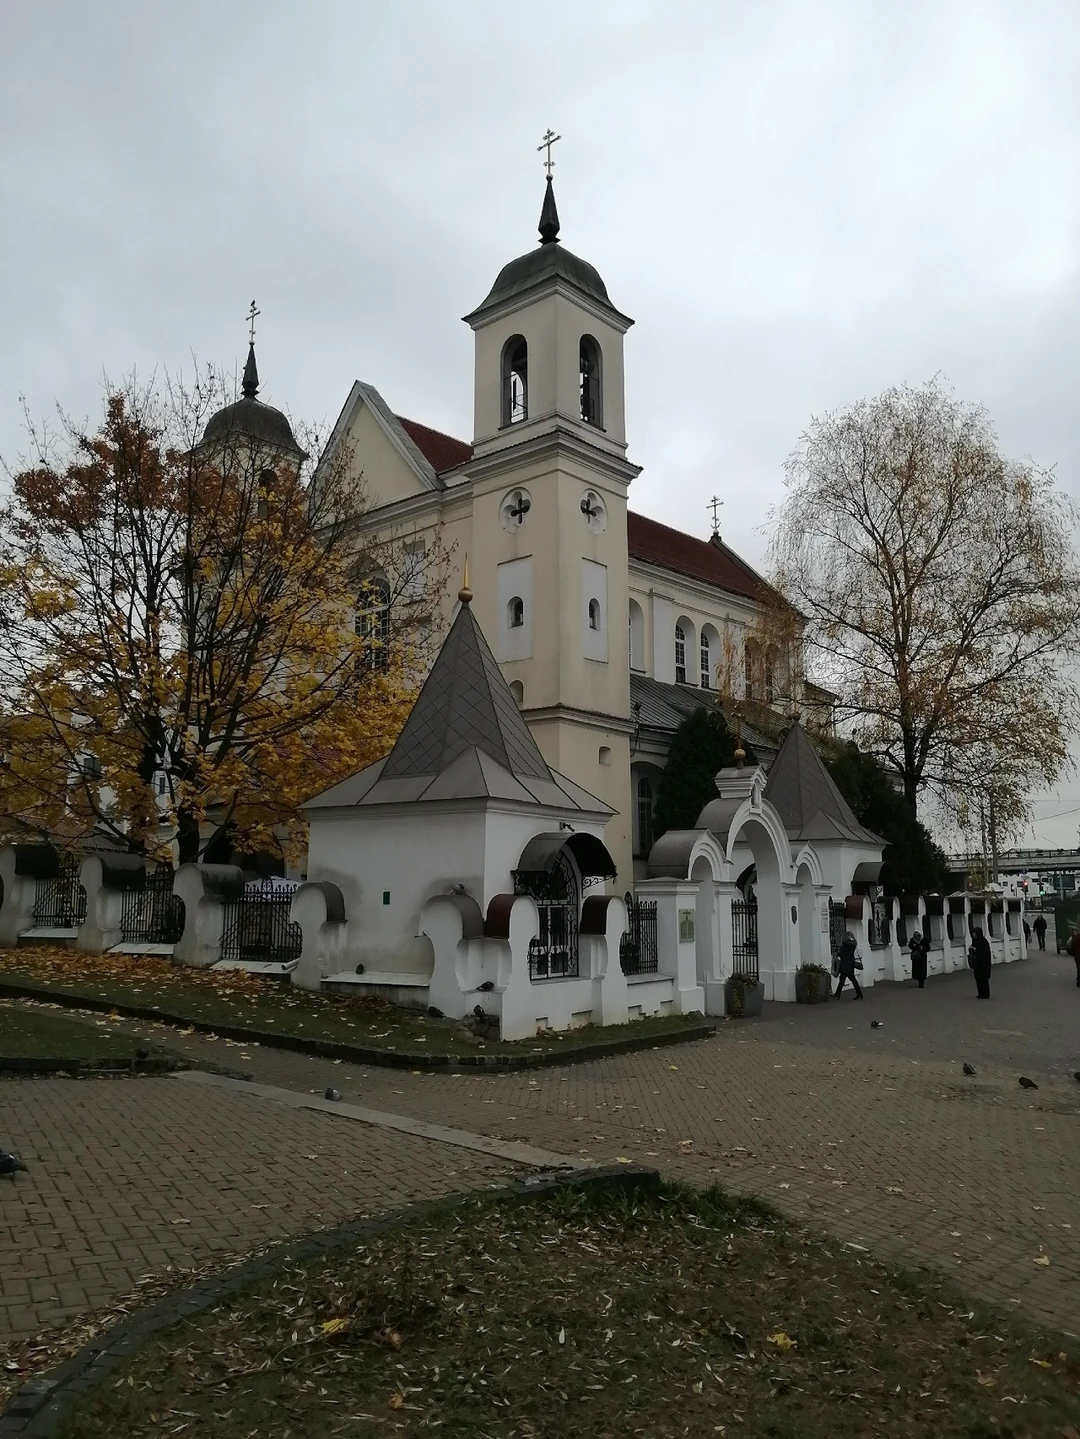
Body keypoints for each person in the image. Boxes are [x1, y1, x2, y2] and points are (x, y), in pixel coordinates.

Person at [834, 930, 864, 1000]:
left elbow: (844, 951)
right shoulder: (852, 943)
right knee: (846, 980)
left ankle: (838, 994)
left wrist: (838, 953)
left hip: (846, 964)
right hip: (849, 964)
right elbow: (844, 952)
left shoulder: (847, 943)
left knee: (848, 980)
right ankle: (838, 994)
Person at [969, 925, 992, 999]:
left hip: (984, 964)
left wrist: (976, 950)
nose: (974, 935)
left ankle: (985, 994)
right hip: (977, 964)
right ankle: (980, 993)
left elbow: (984, 953)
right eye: (973, 934)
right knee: (978, 979)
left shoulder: (984, 942)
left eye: (975, 934)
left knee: (984, 979)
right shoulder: (975, 941)